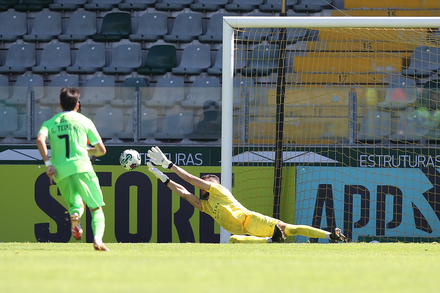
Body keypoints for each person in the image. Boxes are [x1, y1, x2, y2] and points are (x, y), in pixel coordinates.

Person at [146, 146, 346, 244]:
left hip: (252, 220)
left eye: (208, 180)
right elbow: (184, 193)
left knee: (291, 229)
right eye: (207, 181)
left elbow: (189, 179)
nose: (206, 182)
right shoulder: (205, 205)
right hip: (246, 230)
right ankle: (272, 240)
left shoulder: (219, 190)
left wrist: (169, 164)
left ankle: (329, 235)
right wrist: (162, 176)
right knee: (234, 241)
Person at [36, 87, 109, 251]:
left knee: (75, 204)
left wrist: (48, 164)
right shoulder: (84, 121)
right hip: (82, 167)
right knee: (96, 207)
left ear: (60, 105)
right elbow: (101, 150)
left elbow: (40, 139)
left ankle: (75, 216)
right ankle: (97, 239)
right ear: (77, 104)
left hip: (60, 171)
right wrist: (87, 150)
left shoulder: (50, 122)